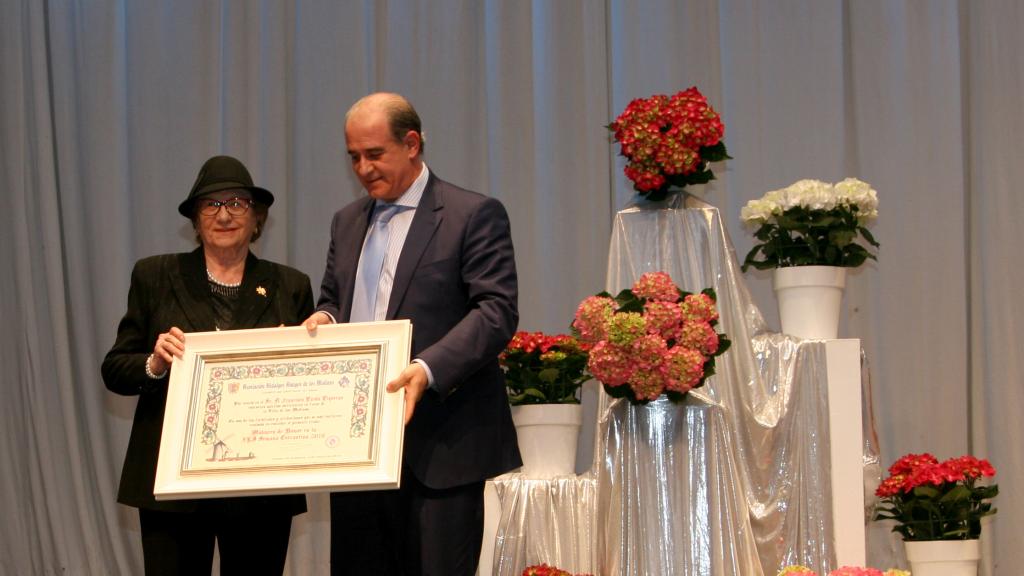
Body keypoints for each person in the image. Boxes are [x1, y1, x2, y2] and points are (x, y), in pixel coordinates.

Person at [304, 92, 521, 575]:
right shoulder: (346, 221)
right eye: (353, 157)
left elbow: (496, 311)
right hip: (358, 447)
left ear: (412, 144)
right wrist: (325, 321)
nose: (363, 168)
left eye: (374, 154)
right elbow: (334, 300)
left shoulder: (471, 213)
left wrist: (427, 368)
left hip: (443, 445)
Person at [102, 155, 312, 575]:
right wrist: (155, 363)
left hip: (260, 484)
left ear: (257, 217)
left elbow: (307, 382)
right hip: (172, 481)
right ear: (196, 220)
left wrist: (291, 365)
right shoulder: (155, 275)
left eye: (237, 203)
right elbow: (115, 369)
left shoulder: (290, 285)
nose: (224, 215)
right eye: (211, 204)